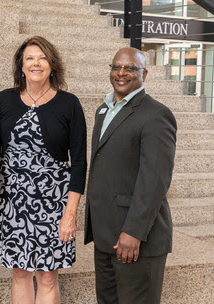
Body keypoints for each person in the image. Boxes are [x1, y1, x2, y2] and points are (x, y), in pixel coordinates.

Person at [0, 36, 87, 303]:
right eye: (30, 58)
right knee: (20, 272)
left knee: (48, 276)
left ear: (52, 65)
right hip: (12, 201)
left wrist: (70, 214)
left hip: (54, 204)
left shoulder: (69, 103)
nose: (36, 63)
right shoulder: (5, 99)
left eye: (42, 58)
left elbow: (81, 161)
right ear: (21, 65)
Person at [84, 47, 177, 304]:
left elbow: (155, 180)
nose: (121, 73)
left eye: (130, 68)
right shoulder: (103, 110)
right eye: (116, 67)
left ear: (144, 73)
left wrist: (133, 232)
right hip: (106, 237)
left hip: (136, 239)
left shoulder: (156, 115)